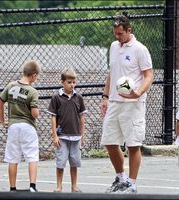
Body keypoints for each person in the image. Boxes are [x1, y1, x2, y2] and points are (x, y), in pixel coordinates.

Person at [100, 15, 153, 194]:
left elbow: (148, 76)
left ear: (129, 30)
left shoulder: (140, 49)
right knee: (109, 141)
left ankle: (132, 183)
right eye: (115, 34)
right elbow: (111, 73)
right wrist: (105, 96)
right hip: (115, 101)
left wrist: (139, 92)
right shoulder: (114, 47)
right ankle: (120, 178)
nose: (117, 37)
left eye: (120, 33)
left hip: (133, 103)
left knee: (133, 144)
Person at [0, 60, 41, 192]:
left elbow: (0, 103)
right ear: (33, 75)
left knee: (13, 158)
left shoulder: (11, 86)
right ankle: (32, 186)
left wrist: (3, 120)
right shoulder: (32, 91)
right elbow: (34, 114)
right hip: (28, 127)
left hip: (13, 126)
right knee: (32, 156)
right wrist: (36, 110)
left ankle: (12, 187)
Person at [47, 68, 87, 193]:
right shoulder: (56, 98)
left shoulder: (78, 97)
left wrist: (82, 135)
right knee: (61, 162)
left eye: (74, 82)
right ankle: (59, 186)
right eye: (69, 82)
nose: (72, 85)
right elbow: (53, 117)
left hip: (76, 136)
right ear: (62, 82)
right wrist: (55, 136)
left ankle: (74, 186)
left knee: (74, 162)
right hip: (62, 136)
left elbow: (82, 117)